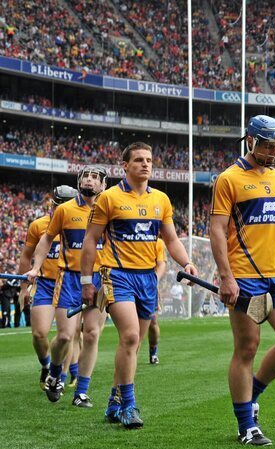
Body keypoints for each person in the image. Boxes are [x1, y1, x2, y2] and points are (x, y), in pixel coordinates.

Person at [80, 144, 198, 429]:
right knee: (130, 336)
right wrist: (86, 281)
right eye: (139, 160)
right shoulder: (108, 198)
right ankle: (129, 406)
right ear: (125, 165)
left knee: (133, 344)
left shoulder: (161, 199)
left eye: (149, 160)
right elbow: (90, 240)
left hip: (147, 279)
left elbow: (170, 240)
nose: (145, 164)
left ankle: (113, 399)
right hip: (116, 274)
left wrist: (186, 263)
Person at [210, 116, 275, 446]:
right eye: (267, 144)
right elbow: (217, 229)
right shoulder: (229, 179)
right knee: (247, 347)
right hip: (244, 275)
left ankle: (254, 393)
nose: (273, 151)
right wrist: (226, 276)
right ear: (250, 141)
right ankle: (246, 426)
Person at [27, 168, 111, 407]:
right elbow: (46, 239)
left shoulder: (109, 209)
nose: (89, 180)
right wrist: (36, 268)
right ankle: (54, 373)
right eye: (86, 176)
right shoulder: (64, 210)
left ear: (103, 185)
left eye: (95, 178)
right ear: (78, 182)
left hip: (99, 279)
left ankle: (81, 392)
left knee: (92, 334)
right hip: (69, 279)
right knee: (65, 336)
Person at [18, 186, 77, 389]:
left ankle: (58, 373)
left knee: (66, 335)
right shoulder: (38, 225)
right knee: (39, 334)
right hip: (45, 284)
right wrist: (23, 288)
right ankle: (46, 365)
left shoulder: (81, 225)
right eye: (57, 205)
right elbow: (26, 257)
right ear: (52, 204)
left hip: (69, 284)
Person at [147, 238, 167, 365]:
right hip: (128, 283)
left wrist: (155, 280)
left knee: (152, 321)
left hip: (149, 287)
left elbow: (161, 263)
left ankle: (153, 351)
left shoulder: (158, 242)